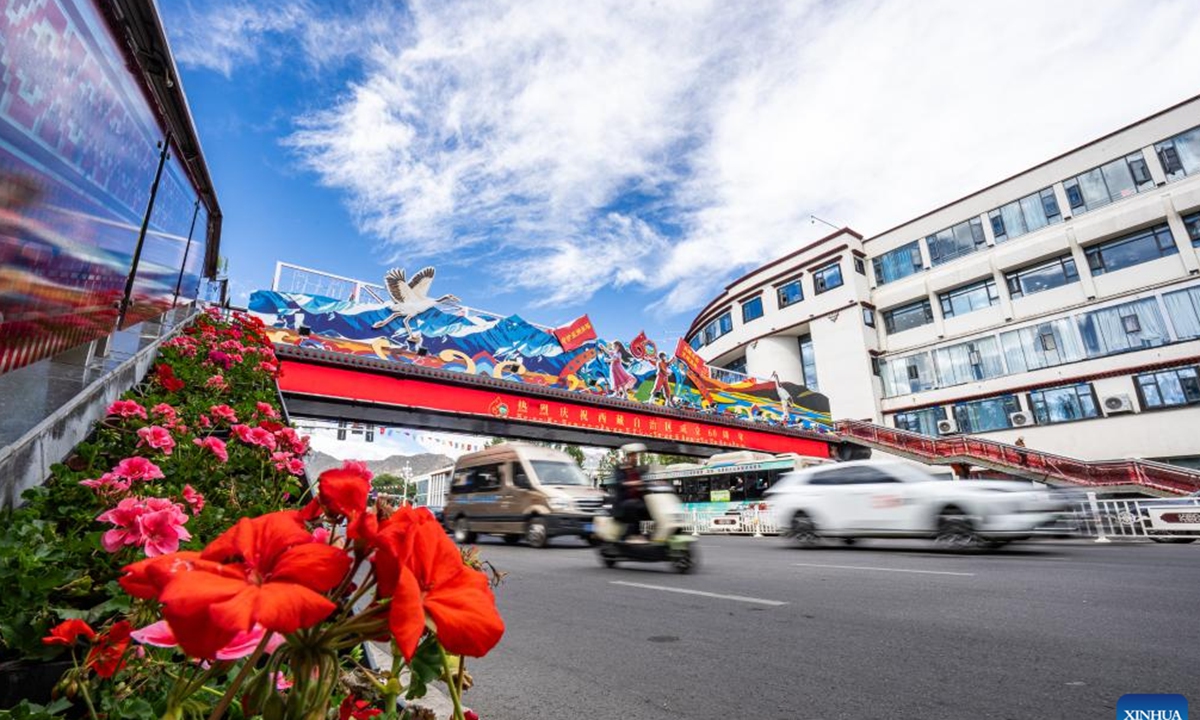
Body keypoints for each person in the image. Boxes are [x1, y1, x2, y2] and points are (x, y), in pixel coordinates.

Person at [608, 443, 650, 541]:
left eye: (636, 456)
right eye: (633, 455)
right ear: (628, 456)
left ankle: (648, 535)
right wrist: (633, 483)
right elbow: (619, 483)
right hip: (623, 501)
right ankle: (628, 535)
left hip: (637, 500)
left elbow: (644, 482)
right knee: (634, 505)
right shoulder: (620, 468)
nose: (635, 458)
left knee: (650, 507)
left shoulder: (638, 470)